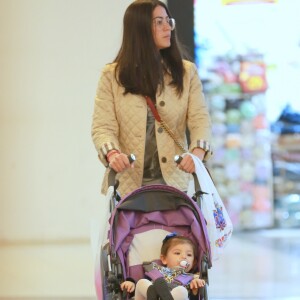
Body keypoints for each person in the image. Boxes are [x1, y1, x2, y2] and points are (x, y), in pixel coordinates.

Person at [91, 0, 212, 197]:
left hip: (175, 184)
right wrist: (112, 154)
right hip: (127, 184)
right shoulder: (111, 75)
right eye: (158, 22)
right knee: (121, 228)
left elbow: (201, 120)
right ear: (140, 29)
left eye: (168, 21)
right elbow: (102, 127)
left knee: (182, 228)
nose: (168, 28)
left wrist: (197, 154)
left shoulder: (186, 72)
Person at [121, 233, 206, 300]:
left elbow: (195, 297)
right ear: (164, 258)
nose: (184, 257)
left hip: (176, 294)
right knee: (142, 282)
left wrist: (195, 289)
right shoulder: (156, 270)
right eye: (177, 253)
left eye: (189, 255)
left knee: (181, 291)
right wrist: (131, 284)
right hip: (152, 294)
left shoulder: (192, 279)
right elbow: (138, 292)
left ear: (194, 262)